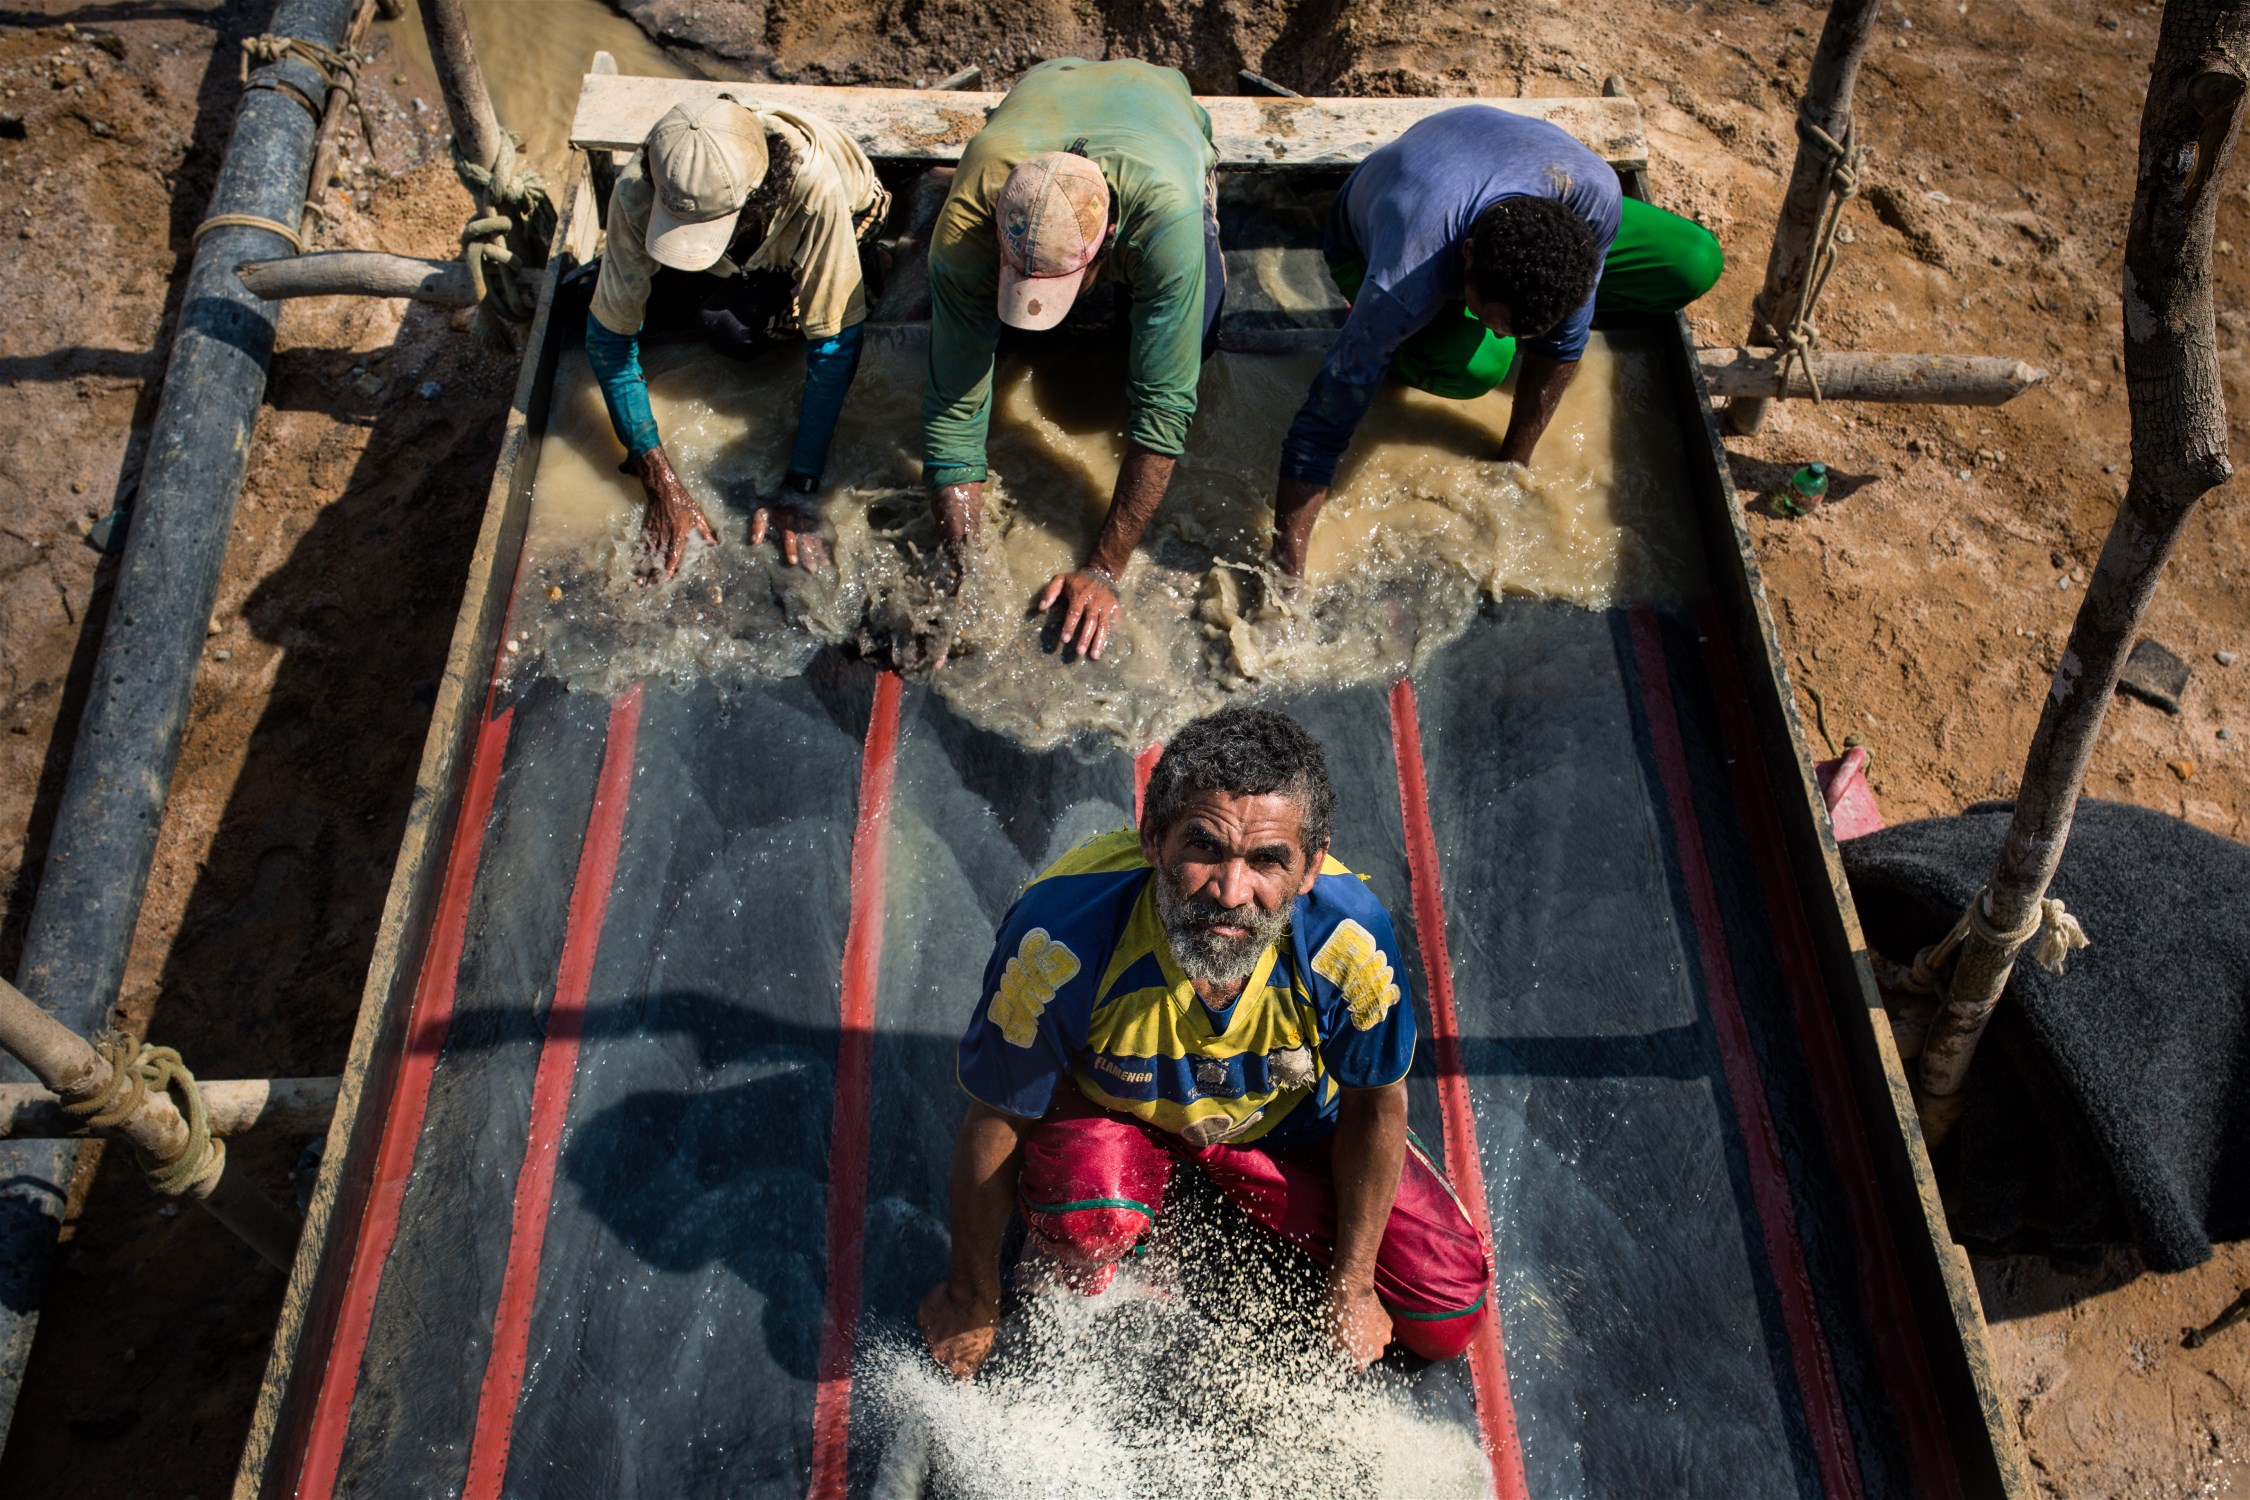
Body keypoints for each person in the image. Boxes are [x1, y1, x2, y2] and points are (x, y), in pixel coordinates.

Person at [917, 707, 1492, 1378]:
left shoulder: (1350, 945)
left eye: (1267, 861)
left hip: (1285, 1132)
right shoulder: (1058, 940)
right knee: (1086, 1216)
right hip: (1122, 1113)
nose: (1230, 891)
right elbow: (997, 1116)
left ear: (1309, 868)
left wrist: (1353, 1285)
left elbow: (1375, 1107)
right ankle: (1119, 1193)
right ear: (1152, 839)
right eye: (1204, 848)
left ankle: (1194, 1189)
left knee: (1446, 1313)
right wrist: (970, 1295)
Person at [1270, 105, 1725, 581]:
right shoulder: (1403, 279)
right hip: (1376, 233)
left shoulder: (1593, 197)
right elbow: (1321, 426)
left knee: (1695, 260)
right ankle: (1399, 327)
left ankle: (1504, 315)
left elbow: (1566, 343)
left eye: (1516, 327)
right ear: (1468, 258)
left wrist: (1512, 467)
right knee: (1482, 366)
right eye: (1493, 318)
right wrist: (1287, 576)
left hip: (1503, 171)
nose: (1499, 330)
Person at [922, 58, 1223, 662]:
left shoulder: (1165, 222)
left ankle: (1162, 260)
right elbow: (954, 404)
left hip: (1160, 98)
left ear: (1107, 244)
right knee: (1009, 339)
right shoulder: (967, 223)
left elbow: (1164, 410)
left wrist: (1106, 568)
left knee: (1201, 334)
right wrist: (966, 571)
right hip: (1046, 82)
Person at [585, 95, 890, 580]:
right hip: (737, 251)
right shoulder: (639, 192)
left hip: (847, 221)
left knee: (731, 329)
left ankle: (872, 272)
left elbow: (832, 349)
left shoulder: (815, 190)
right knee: (592, 297)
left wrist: (799, 489)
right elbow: (608, 341)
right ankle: (725, 275)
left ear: (756, 198)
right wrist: (659, 480)